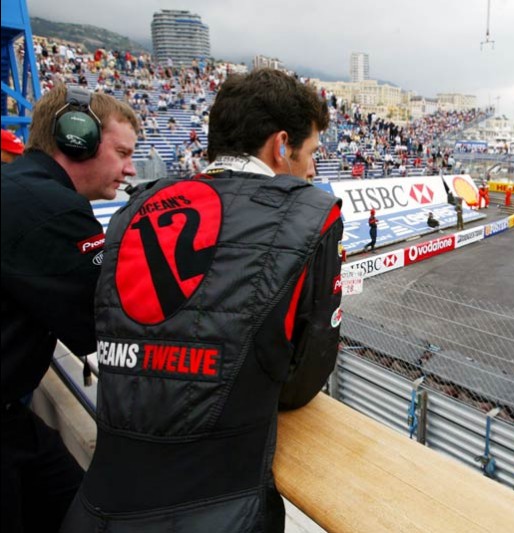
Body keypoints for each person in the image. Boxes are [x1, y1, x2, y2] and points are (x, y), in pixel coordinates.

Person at [61, 68, 343, 533]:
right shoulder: (309, 213)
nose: (313, 170)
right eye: (311, 153)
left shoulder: (132, 208)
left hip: (98, 504)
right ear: (280, 145)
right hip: (221, 509)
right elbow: (302, 380)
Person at [1, 84, 138, 533]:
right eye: (121, 152)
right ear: (75, 138)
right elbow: (103, 322)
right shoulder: (53, 210)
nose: (129, 169)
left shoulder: (20, 187)